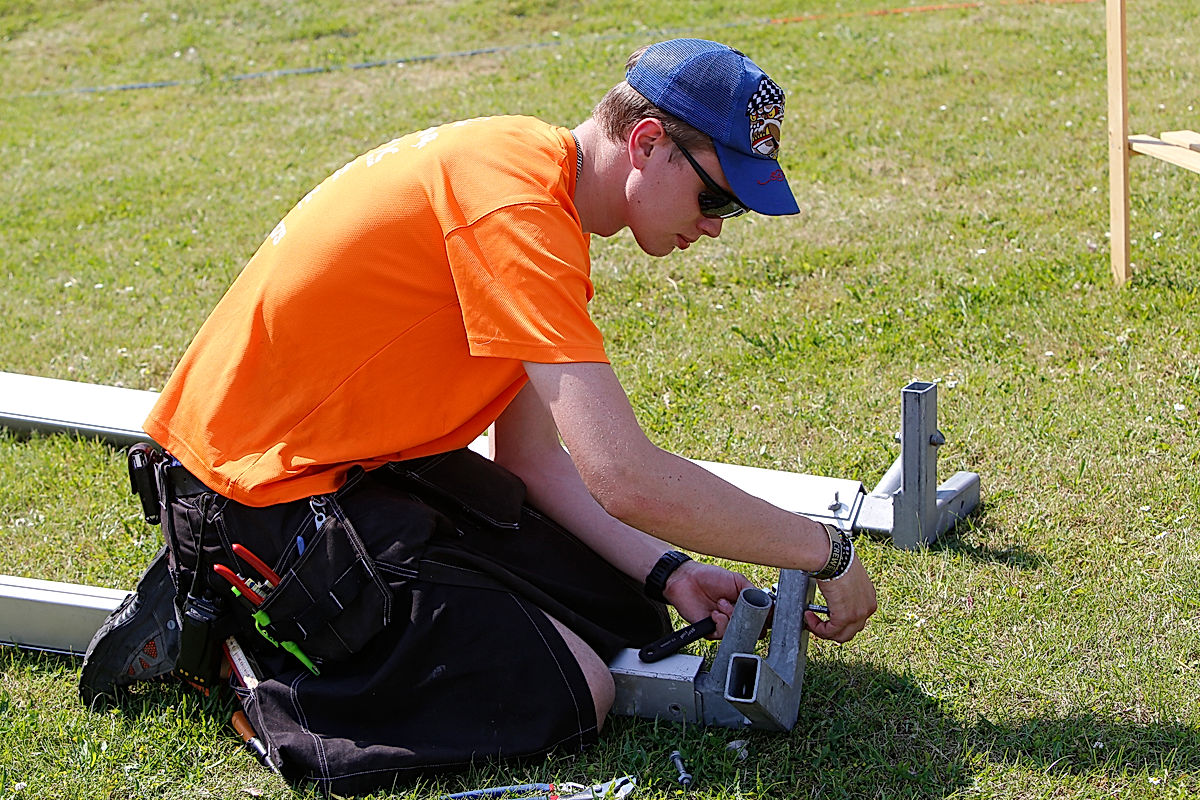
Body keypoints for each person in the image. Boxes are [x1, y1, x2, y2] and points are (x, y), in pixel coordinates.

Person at [79, 38, 877, 793]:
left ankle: (277, 613)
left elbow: (533, 463)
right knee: (573, 691)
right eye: (715, 197)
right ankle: (239, 649)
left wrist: (668, 572)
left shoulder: (532, 187)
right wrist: (825, 552)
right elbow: (626, 477)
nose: (711, 226)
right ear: (644, 144)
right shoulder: (517, 213)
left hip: (347, 469)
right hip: (245, 498)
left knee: (624, 610)